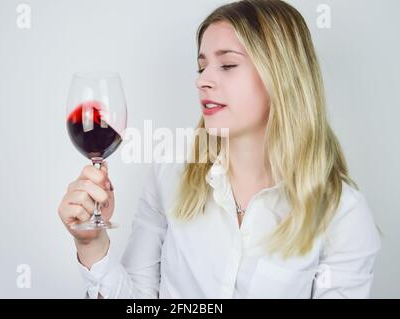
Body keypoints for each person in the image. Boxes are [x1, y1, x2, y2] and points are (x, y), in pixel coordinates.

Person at [58, 0, 381, 299]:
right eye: (202, 67)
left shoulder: (343, 215)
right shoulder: (170, 172)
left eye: (227, 65)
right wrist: (92, 246)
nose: (202, 81)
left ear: (282, 76)